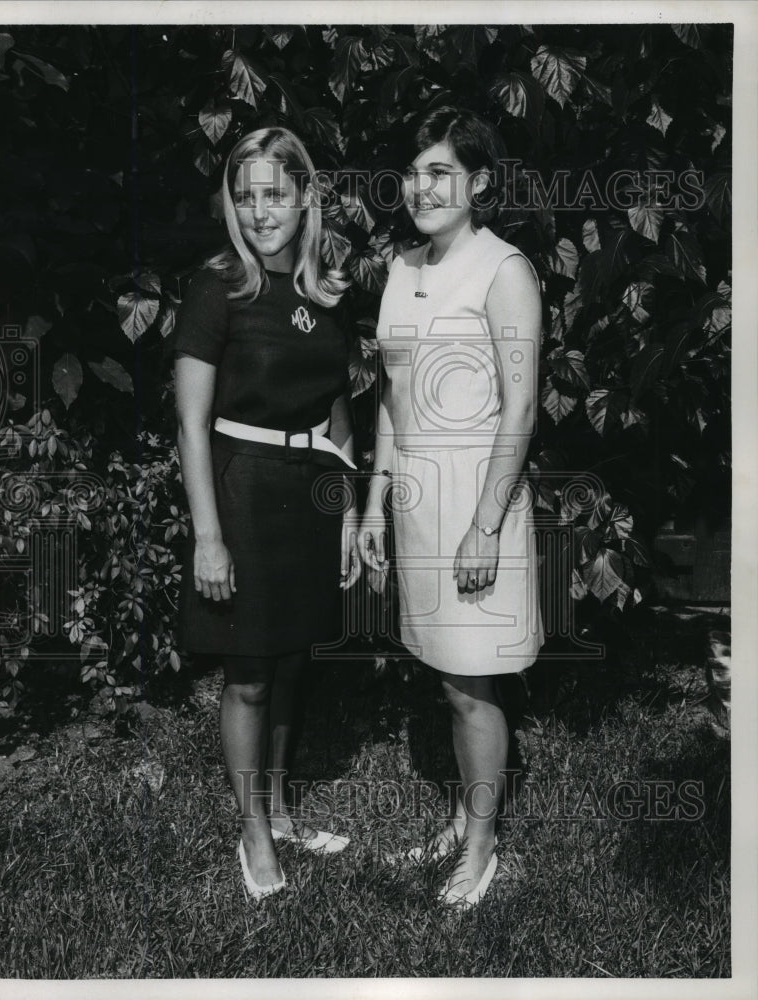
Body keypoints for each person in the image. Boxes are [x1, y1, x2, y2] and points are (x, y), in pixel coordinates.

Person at [359, 107, 544, 908]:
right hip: (417, 505)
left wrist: (485, 524)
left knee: (473, 685)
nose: (422, 186)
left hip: (478, 504)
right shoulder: (402, 266)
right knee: (444, 675)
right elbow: (394, 400)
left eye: (441, 172)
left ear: (480, 185)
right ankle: (466, 818)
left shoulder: (505, 271)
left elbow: (521, 406)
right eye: (414, 171)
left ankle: (481, 847)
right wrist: (373, 502)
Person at [171, 127, 360, 901]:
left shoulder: (329, 289)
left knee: (290, 660)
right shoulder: (218, 286)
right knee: (249, 672)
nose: (258, 212)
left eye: (274, 194)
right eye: (244, 196)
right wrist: (208, 537)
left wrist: (349, 511)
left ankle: (278, 812)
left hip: (309, 489)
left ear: (305, 196)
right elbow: (190, 423)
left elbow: (341, 408)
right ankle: (252, 837)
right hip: (241, 485)